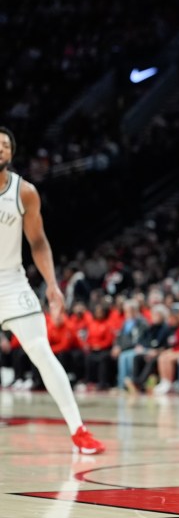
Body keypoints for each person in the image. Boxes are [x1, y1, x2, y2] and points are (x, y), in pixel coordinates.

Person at [0, 127, 104, 453]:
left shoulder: (24, 192)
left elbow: (39, 242)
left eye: (4, 145)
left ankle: (79, 430)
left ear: (11, 154)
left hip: (11, 282)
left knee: (43, 354)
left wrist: (53, 285)